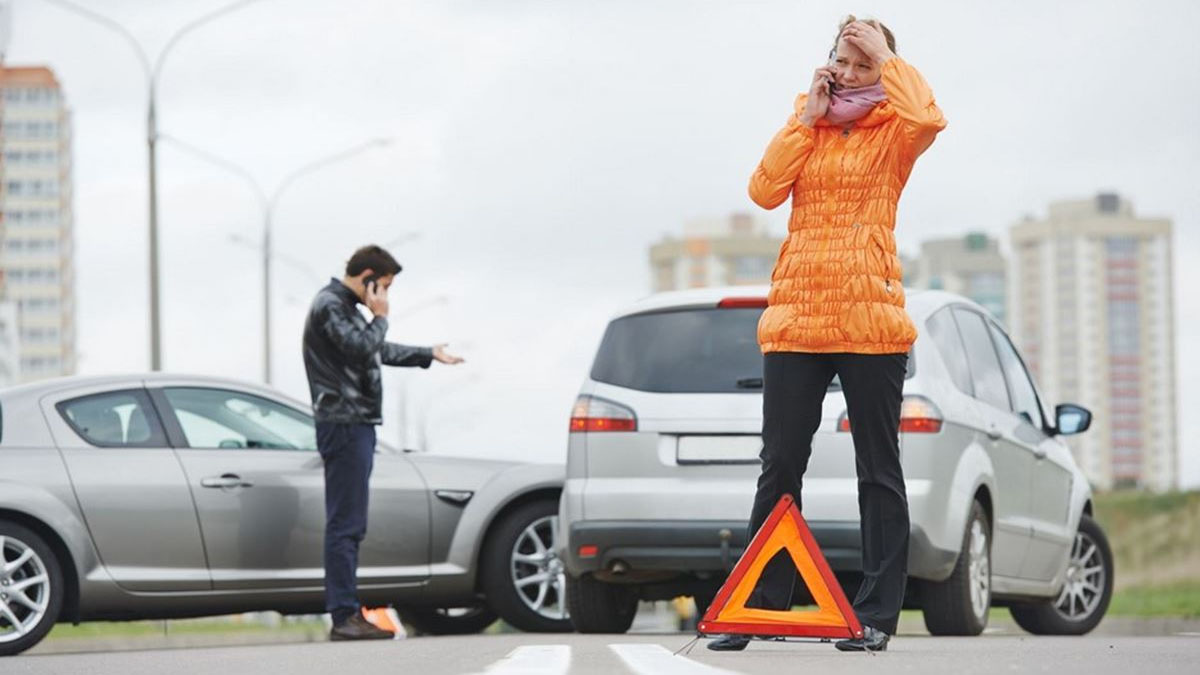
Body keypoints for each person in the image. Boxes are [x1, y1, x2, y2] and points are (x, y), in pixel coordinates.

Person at [708, 16, 945, 653]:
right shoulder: (807, 121)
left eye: (864, 64)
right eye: (843, 59)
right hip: (796, 319)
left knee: (878, 469)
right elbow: (763, 191)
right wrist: (804, 120)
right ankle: (759, 608)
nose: (848, 72)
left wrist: (888, 59)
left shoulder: (897, 128)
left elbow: (929, 119)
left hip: (869, 322)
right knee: (780, 463)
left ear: (886, 70)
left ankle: (875, 615)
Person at [302, 244, 464, 641]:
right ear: (368, 277)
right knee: (345, 524)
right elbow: (362, 347)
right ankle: (344, 615)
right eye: (385, 286)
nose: (386, 295)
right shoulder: (330, 306)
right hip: (343, 423)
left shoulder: (344, 309)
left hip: (354, 422)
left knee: (351, 523)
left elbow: (375, 350)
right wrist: (380, 316)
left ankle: (347, 612)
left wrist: (427, 354)